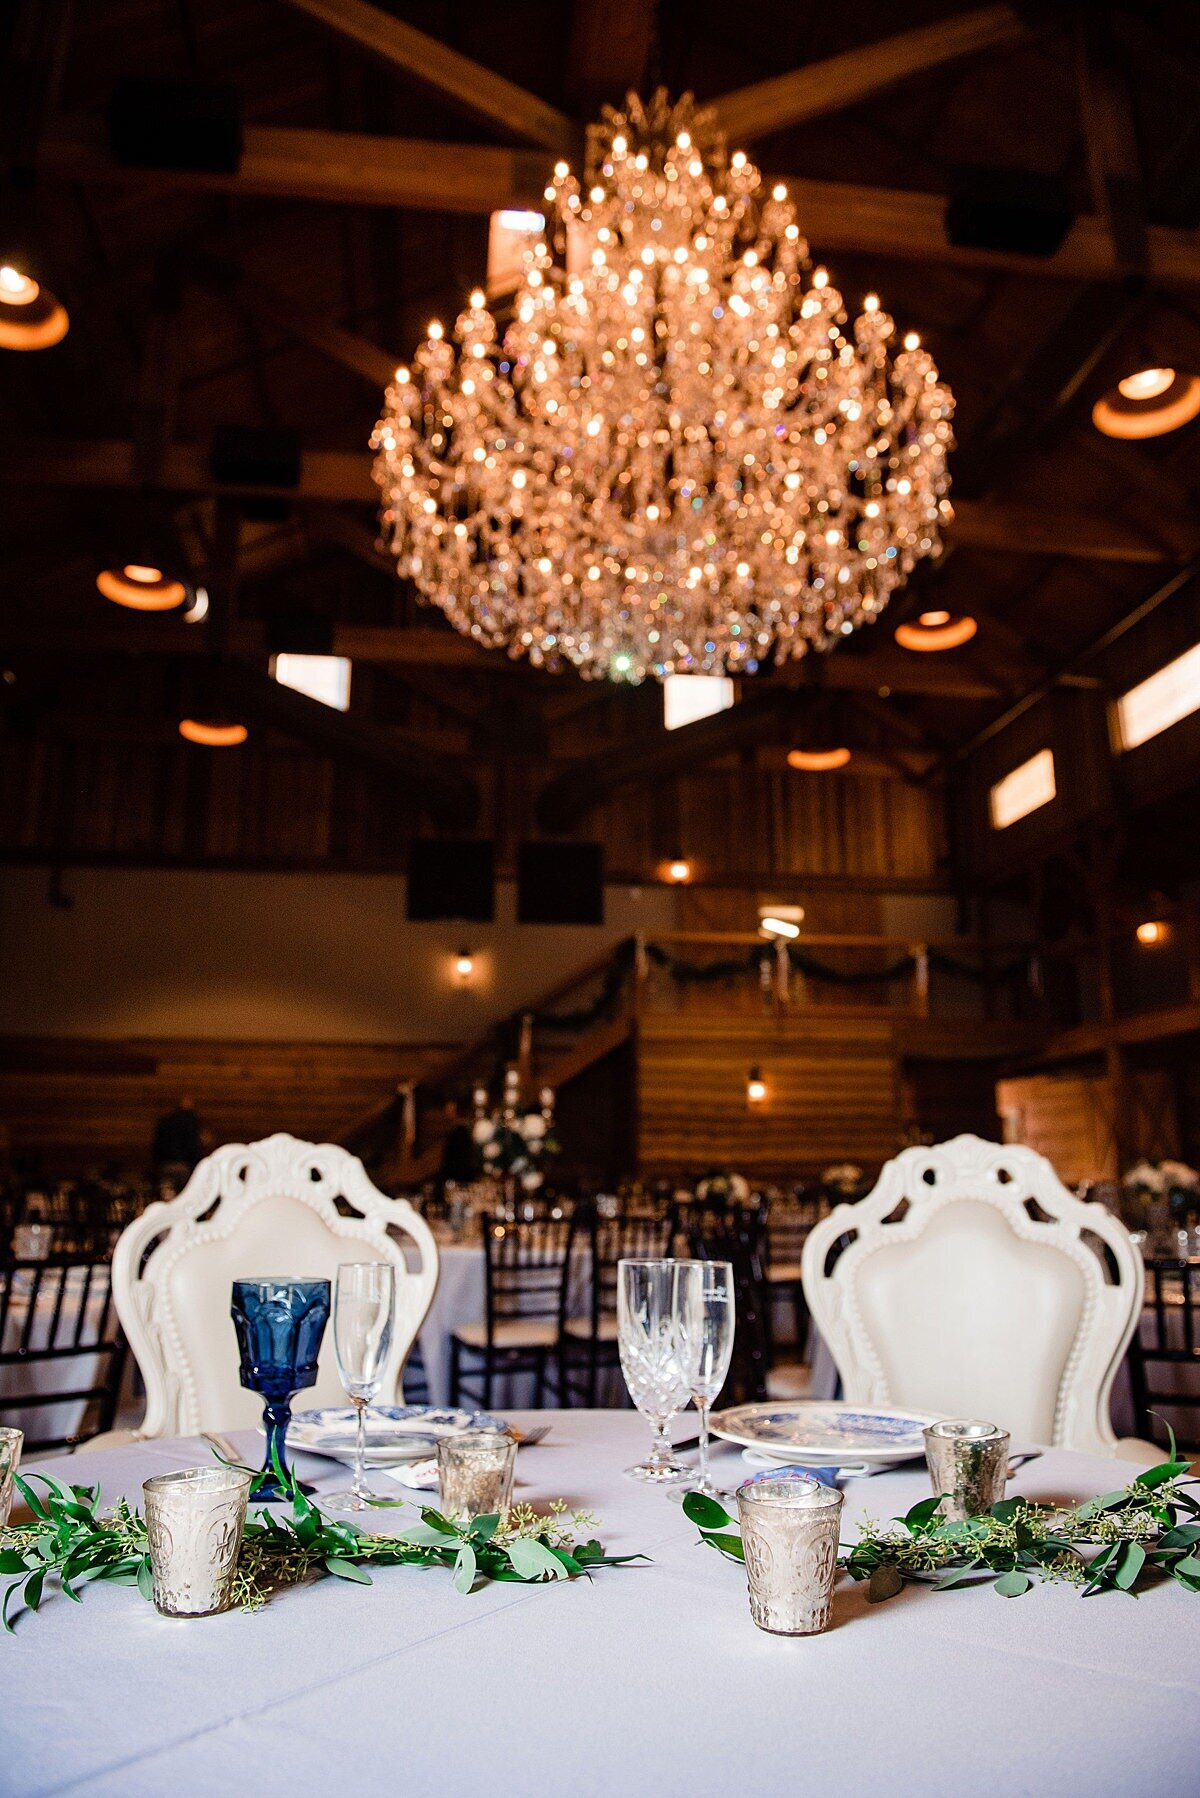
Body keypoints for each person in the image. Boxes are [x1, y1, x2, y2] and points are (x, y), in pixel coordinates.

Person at [152, 1096, 204, 1182]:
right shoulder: (191, 1122)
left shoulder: (164, 1121)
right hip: (184, 1164)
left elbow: (157, 1145)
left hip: (165, 1163)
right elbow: (193, 1145)